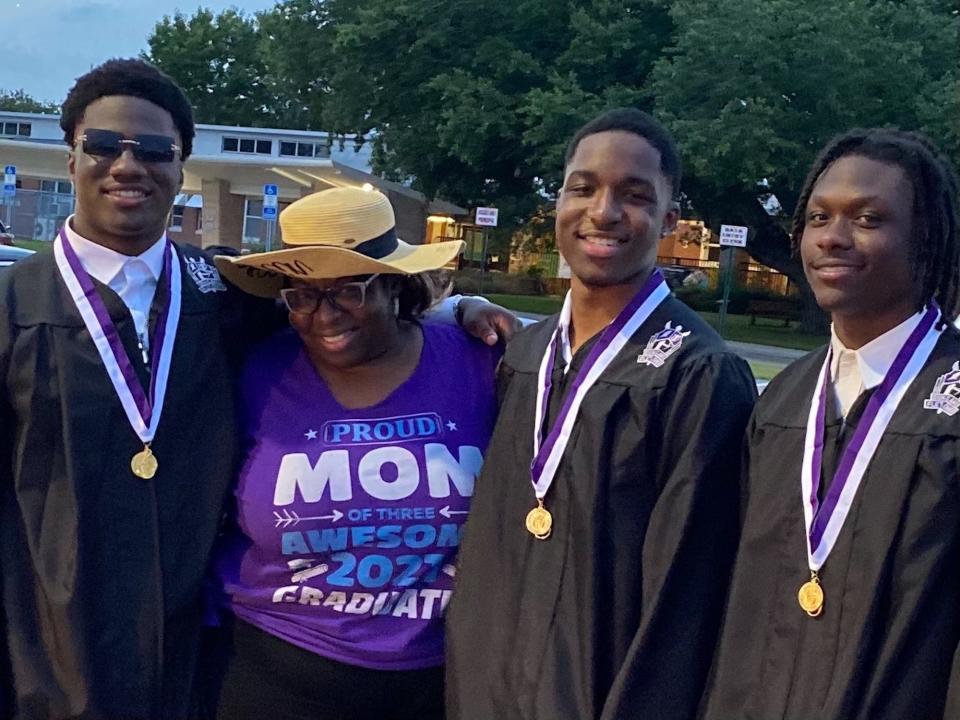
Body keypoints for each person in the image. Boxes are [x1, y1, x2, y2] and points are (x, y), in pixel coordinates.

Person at [0, 58, 515, 720]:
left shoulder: (222, 297)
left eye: (154, 149)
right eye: (103, 145)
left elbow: (348, 323)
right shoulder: (13, 310)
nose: (128, 165)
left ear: (179, 168)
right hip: (50, 641)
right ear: (71, 160)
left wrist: (455, 311)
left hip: (194, 649)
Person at [445, 108, 757, 720]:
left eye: (634, 195)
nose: (604, 211)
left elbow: (686, 602)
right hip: (487, 689)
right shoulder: (526, 354)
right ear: (558, 203)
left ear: (668, 221)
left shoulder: (698, 374)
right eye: (582, 188)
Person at [206, 186, 500, 719]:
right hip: (275, 674)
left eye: (348, 291)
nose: (324, 315)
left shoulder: (479, 364)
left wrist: (464, 307)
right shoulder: (255, 372)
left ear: (393, 284)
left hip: (438, 683)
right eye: (302, 295)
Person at [699, 128, 960, 720]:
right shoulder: (784, 403)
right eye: (819, 217)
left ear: (924, 239)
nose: (832, 239)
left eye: (867, 219)